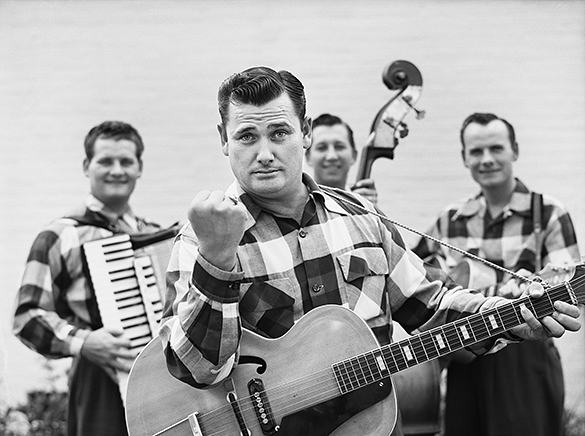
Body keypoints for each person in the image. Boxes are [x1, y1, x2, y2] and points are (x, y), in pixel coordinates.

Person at [159, 68, 581, 436]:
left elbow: (431, 305)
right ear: (224, 139)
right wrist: (217, 258)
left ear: (305, 132)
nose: (265, 154)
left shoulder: (360, 215)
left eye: (280, 133)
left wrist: (514, 317)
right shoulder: (201, 239)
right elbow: (197, 369)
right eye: (247, 136)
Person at [413, 112, 581, 436]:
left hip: (524, 360)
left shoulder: (549, 213)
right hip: (465, 357)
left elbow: (568, 288)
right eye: (476, 151)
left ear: (514, 150)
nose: (486, 159)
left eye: (496, 148)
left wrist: (532, 295)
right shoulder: (449, 220)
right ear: (464, 158)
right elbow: (413, 279)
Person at [13, 121, 162, 436]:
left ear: (139, 168)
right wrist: (84, 342)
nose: (117, 170)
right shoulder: (60, 235)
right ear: (86, 166)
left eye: (126, 161)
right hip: (98, 378)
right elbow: (27, 317)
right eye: (105, 161)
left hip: (160, 378)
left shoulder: (155, 235)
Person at [305, 112, 378, 204]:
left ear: (354, 155)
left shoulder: (362, 202)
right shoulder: (296, 204)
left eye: (339, 147)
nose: (331, 156)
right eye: (322, 147)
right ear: (308, 157)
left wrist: (372, 210)